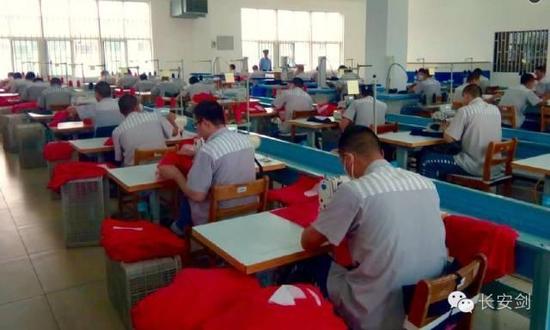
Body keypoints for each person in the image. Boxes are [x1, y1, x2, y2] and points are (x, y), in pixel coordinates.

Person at [301, 125, 447, 330]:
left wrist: (325, 217)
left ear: (348, 159)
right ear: (382, 153)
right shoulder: (426, 183)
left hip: (380, 309)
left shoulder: (355, 191)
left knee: (313, 263)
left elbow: (308, 242)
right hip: (432, 302)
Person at [158, 101, 256, 234]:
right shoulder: (245, 141)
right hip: (247, 209)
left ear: (205, 123)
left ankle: (179, 230)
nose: (196, 129)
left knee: (186, 192)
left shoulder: (208, 151)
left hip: (218, 216)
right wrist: (198, 153)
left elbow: (197, 195)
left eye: (196, 124)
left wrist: (176, 175)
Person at [419, 84, 502, 179]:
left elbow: (448, 139)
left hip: (474, 166)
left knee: (427, 161)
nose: (463, 101)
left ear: (466, 96)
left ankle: (432, 193)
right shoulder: (495, 110)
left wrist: (445, 129)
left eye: (463, 98)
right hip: (495, 167)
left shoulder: (465, 111)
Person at [112, 94, 179, 166]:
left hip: (133, 170)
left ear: (121, 112)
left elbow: (118, 158)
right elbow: (175, 133)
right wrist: (174, 123)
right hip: (161, 166)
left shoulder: (117, 131)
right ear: (137, 106)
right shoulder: (156, 115)